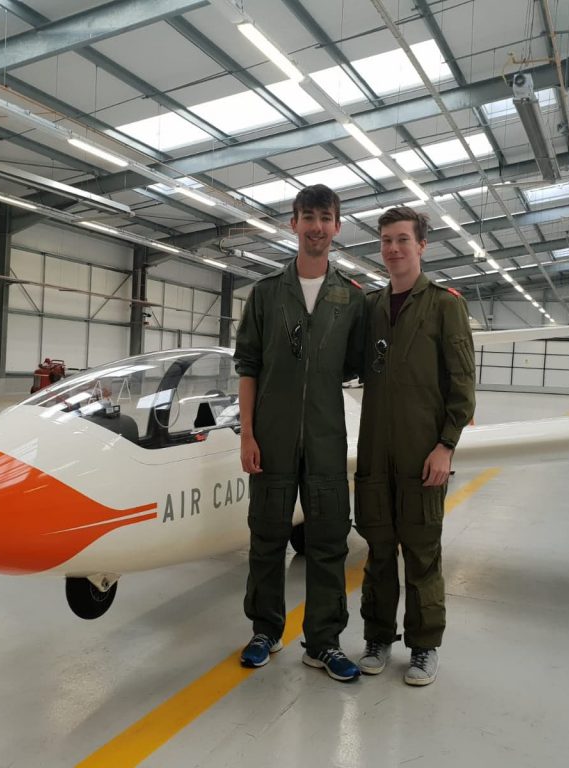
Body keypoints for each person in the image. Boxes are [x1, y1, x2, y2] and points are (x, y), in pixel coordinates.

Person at [234, 184, 366, 682]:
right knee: (266, 537)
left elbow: (361, 371)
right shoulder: (267, 294)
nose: (316, 226)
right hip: (271, 436)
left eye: (325, 217)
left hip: (328, 439)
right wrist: (247, 435)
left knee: (329, 540)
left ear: (337, 226)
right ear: (293, 223)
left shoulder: (351, 299)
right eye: (307, 216)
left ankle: (324, 643)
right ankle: (265, 631)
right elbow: (247, 365)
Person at [354, 206, 476, 686]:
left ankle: (424, 647)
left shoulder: (445, 305)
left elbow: (463, 386)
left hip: (424, 454)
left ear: (422, 245)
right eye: (386, 240)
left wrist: (446, 446)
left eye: (402, 239)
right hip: (375, 456)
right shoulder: (373, 308)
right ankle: (378, 637)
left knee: (423, 554)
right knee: (379, 552)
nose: (393, 248)